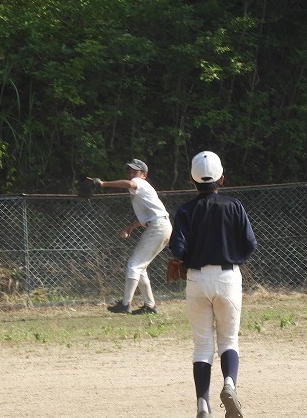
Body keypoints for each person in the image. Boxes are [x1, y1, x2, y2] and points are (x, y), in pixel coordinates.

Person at [169, 151, 257, 418]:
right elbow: (250, 244)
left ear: (192, 180)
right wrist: (232, 256)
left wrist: (182, 259)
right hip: (228, 277)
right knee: (228, 340)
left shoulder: (185, 210)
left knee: (202, 346)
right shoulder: (234, 206)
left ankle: (202, 406)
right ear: (222, 178)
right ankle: (229, 385)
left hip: (196, 279)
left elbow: (177, 249)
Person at [95, 159, 172, 315]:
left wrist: (103, 184)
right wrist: (131, 226)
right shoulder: (143, 187)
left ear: (144, 175)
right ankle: (150, 306)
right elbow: (152, 215)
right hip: (161, 225)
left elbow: (129, 184)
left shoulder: (140, 183)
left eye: (135, 171)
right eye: (129, 171)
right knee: (140, 267)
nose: (131, 174)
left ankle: (125, 304)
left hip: (158, 227)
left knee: (134, 265)